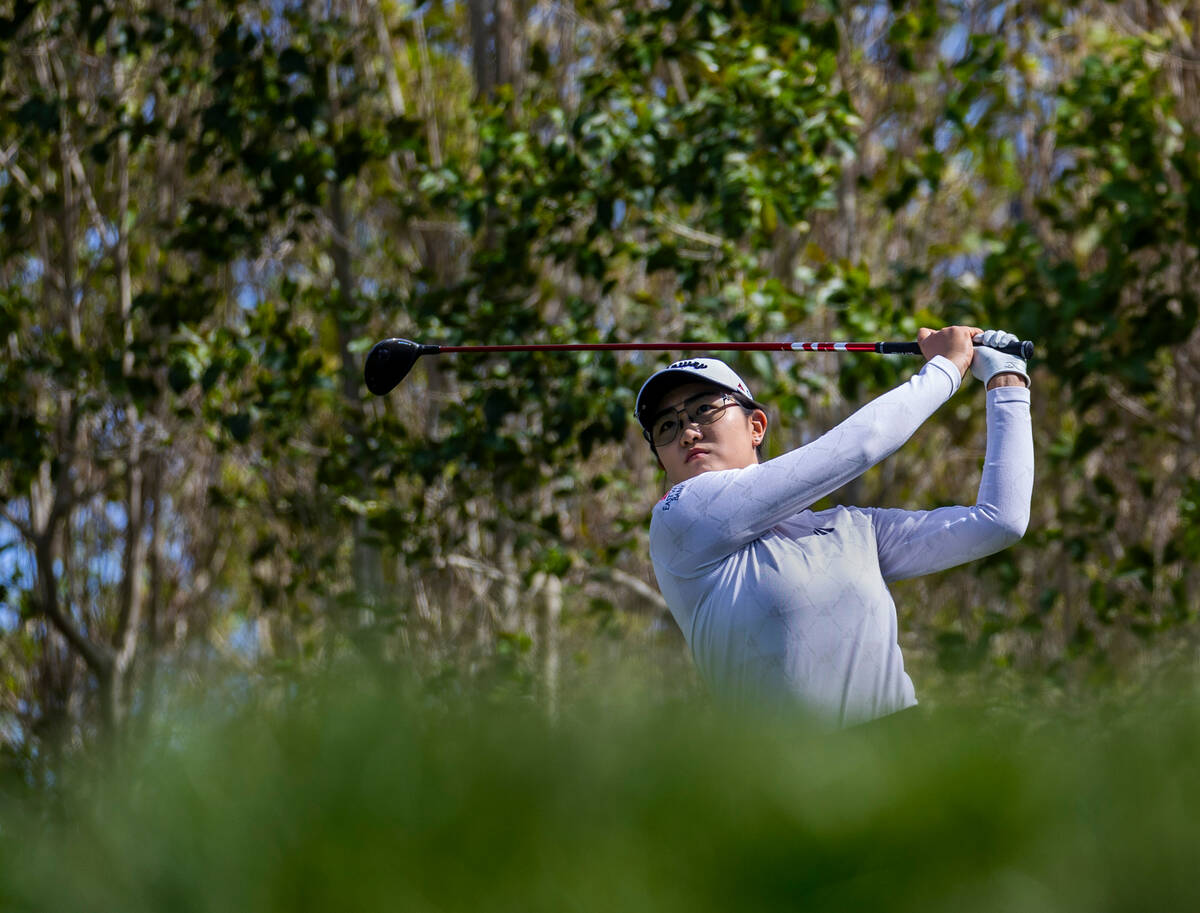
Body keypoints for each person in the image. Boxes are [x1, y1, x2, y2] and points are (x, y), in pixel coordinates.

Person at [636, 326, 1033, 726]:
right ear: (662, 462)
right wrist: (946, 368)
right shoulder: (678, 519)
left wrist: (1007, 381)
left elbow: (1000, 521)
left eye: (705, 409)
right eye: (666, 427)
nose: (687, 432)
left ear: (756, 426)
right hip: (784, 779)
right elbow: (862, 443)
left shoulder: (853, 529)